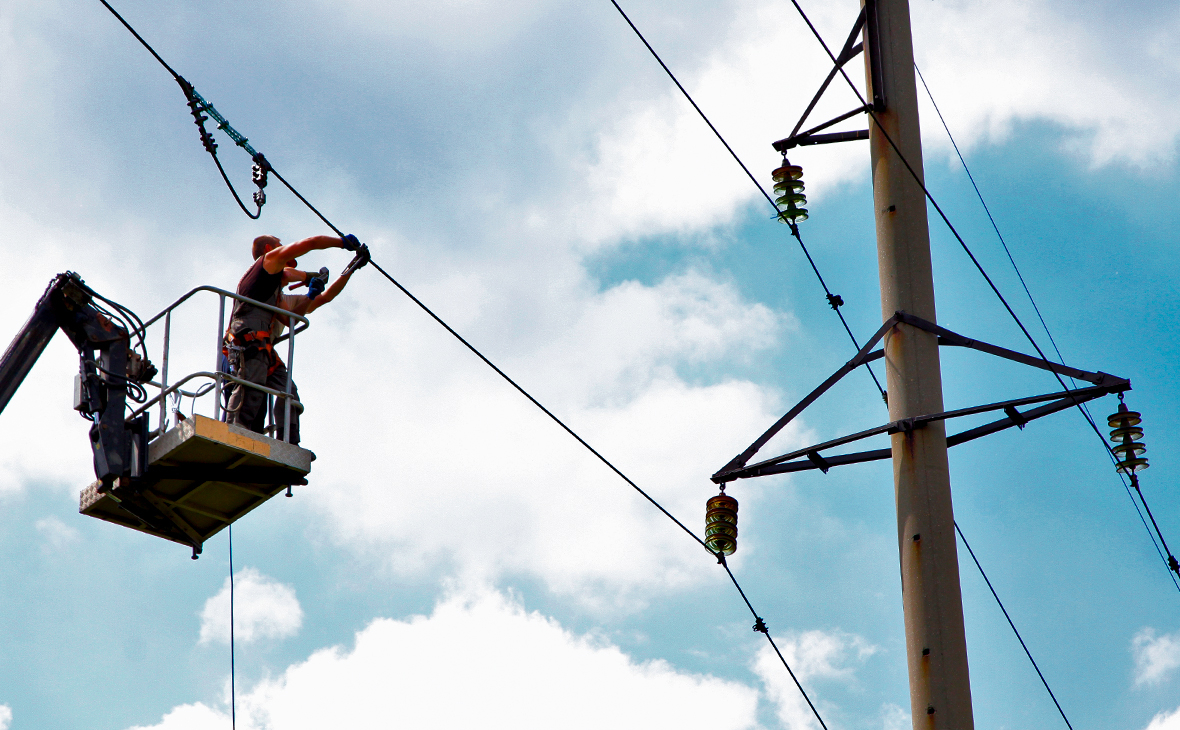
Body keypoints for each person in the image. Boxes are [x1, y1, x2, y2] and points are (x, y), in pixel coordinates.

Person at [224, 233, 364, 443]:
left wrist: (349, 270)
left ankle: (289, 440)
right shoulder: (267, 261)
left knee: (287, 391)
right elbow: (309, 244)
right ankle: (234, 430)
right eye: (280, 246)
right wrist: (341, 242)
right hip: (248, 341)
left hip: (264, 347)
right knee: (251, 383)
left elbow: (298, 314)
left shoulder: (277, 297)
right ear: (270, 248)